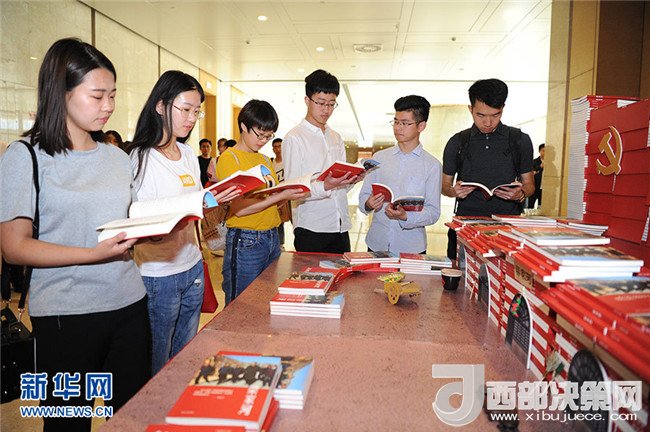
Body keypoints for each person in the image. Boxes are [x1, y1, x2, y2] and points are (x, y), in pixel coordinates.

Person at [0, 38, 150, 432]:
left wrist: (156, 227)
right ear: (60, 92)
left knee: (132, 419)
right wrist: (93, 254)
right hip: (65, 316)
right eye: (97, 95)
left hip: (129, 305)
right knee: (68, 423)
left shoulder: (117, 157)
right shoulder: (26, 156)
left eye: (113, 95)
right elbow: (14, 246)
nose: (108, 106)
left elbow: (126, 222)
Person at [126, 70, 240, 375]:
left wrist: (219, 198)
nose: (192, 119)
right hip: (159, 275)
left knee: (185, 358)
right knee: (157, 363)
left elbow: (198, 201)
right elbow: (143, 221)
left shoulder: (188, 153)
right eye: (186, 109)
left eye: (196, 111)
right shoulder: (141, 158)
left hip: (192, 267)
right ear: (160, 106)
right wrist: (189, 209)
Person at [216, 100, 307, 305]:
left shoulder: (265, 160)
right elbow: (240, 209)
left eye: (269, 136)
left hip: (272, 238)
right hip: (246, 240)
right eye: (260, 135)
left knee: (265, 302)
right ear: (243, 126)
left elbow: (270, 201)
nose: (264, 141)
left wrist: (288, 194)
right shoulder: (230, 159)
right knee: (241, 305)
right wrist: (281, 196)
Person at [442, 78, 534, 262]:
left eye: (495, 115)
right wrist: (453, 191)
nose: (488, 122)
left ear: (503, 109)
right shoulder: (458, 142)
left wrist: (520, 194)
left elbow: (530, 184)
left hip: (506, 228)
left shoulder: (519, 140)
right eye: (481, 115)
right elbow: (444, 185)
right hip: (466, 226)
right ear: (470, 109)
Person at [282, 69, 363, 254]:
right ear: (307, 100)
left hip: (340, 226)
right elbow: (293, 190)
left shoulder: (336, 137)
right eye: (320, 103)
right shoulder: (295, 138)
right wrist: (326, 185)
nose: (326, 110)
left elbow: (339, 188)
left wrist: (352, 179)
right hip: (312, 228)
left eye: (331, 104)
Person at [359, 95, 442, 255]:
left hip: (411, 248)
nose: (398, 128)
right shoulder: (379, 158)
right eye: (396, 122)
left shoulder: (432, 165)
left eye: (405, 123)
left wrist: (406, 217)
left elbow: (433, 212)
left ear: (421, 126)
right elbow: (364, 196)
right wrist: (368, 203)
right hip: (377, 243)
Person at [271, 137, 288, 245]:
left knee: (294, 220)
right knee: (279, 221)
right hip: (277, 195)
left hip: (289, 194)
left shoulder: (288, 162)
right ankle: (280, 244)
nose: (278, 149)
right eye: (275, 147)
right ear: (273, 149)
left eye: (280, 146)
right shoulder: (271, 162)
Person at [528, 143, 545, 208]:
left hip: (544, 189)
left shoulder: (550, 163)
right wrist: (540, 167)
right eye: (543, 151)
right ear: (539, 151)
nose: (545, 153)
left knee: (541, 207)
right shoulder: (534, 162)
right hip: (534, 188)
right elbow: (531, 173)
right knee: (530, 206)